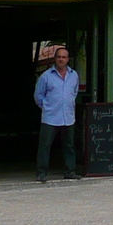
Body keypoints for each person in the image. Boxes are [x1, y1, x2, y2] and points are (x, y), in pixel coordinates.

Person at [33, 45, 79, 183]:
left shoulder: (74, 75)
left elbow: (74, 93)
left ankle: (70, 171)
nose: (61, 59)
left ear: (68, 59)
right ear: (55, 59)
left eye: (64, 57)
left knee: (69, 146)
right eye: (59, 57)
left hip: (68, 116)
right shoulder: (46, 76)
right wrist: (47, 107)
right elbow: (38, 96)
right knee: (45, 146)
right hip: (50, 117)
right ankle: (41, 173)